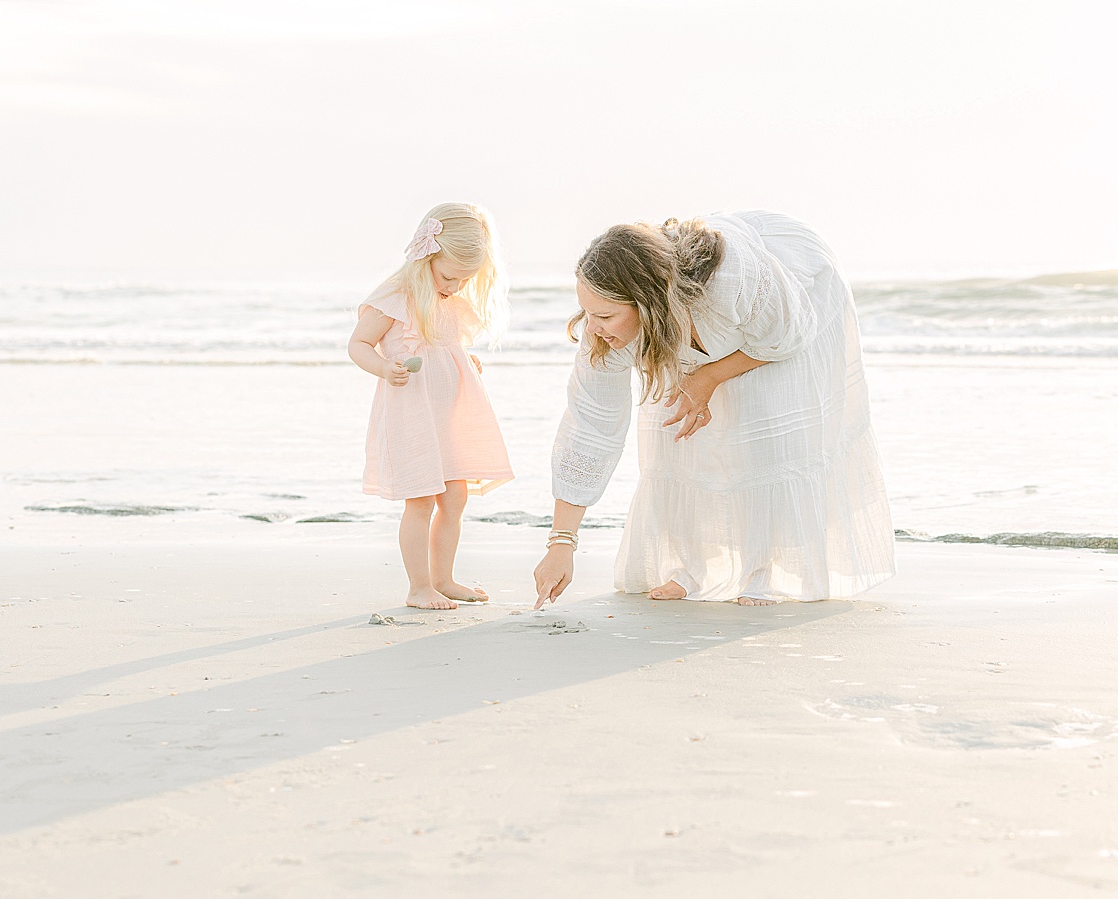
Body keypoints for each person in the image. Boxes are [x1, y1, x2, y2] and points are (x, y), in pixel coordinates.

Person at [533, 210, 894, 607]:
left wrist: (707, 378)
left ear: (652, 304)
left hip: (798, 292)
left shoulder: (734, 284)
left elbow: (785, 338)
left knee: (762, 422)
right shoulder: (601, 335)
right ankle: (692, 569)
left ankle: (767, 570)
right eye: (587, 312)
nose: (593, 327)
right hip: (691, 319)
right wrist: (561, 543)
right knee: (675, 432)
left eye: (604, 315)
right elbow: (590, 428)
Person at [348, 202, 513, 609]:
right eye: (449, 276)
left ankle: (444, 578)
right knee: (420, 498)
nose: (455, 287)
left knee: (455, 497)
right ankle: (419, 587)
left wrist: (463, 360)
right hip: (411, 415)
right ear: (427, 254)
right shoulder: (396, 296)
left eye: (463, 280)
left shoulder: (448, 300)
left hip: (449, 415)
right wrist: (385, 368)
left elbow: (445, 347)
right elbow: (358, 345)